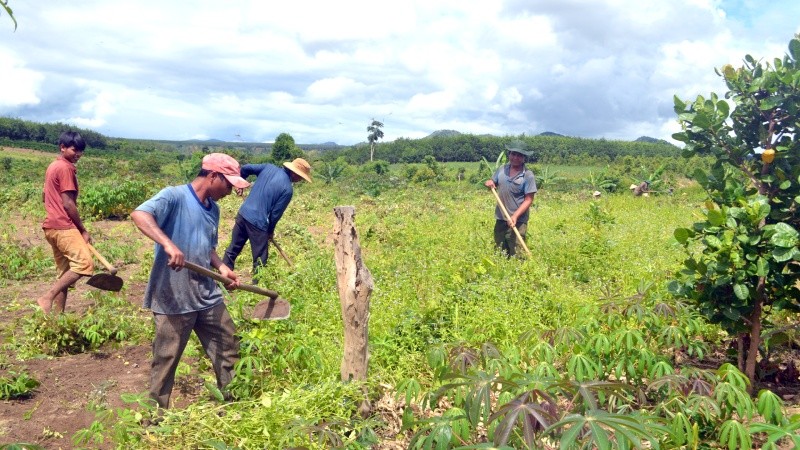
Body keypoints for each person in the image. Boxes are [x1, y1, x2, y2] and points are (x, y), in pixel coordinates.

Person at [130, 153, 250, 409]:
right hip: (173, 296)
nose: (230, 191)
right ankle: (156, 419)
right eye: (228, 184)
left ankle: (234, 404)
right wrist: (168, 244)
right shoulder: (174, 196)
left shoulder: (213, 210)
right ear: (213, 176)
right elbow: (140, 215)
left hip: (207, 295)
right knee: (166, 360)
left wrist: (221, 267)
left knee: (229, 349)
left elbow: (208, 248)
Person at [222, 157, 312, 274]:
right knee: (260, 260)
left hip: (243, 214)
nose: (300, 180)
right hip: (258, 223)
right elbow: (275, 215)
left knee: (232, 249)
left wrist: (240, 183)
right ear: (294, 173)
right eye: (300, 177)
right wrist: (270, 231)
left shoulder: (268, 167)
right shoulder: (288, 190)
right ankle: (257, 289)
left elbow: (245, 168)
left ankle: (223, 278)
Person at [37, 131, 93, 314]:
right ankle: (47, 297)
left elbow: (44, 195)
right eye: (73, 149)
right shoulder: (65, 168)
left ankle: (58, 318)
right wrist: (82, 230)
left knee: (65, 273)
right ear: (62, 147)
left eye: (80, 151)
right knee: (84, 264)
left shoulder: (53, 166)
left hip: (51, 227)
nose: (78, 154)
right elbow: (68, 204)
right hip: (63, 226)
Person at [484, 141, 537, 257]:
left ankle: (520, 272)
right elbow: (494, 182)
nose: (515, 158)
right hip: (501, 217)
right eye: (513, 154)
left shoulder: (528, 175)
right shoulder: (502, 169)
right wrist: (490, 183)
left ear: (524, 158)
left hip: (518, 220)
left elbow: (529, 199)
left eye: (519, 155)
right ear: (509, 154)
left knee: (518, 253)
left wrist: (515, 216)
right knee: (500, 250)